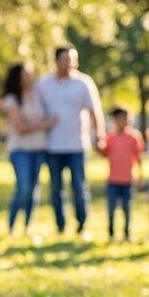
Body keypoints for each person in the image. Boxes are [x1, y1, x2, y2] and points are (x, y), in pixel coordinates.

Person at [36, 46, 106, 236]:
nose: (71, 64)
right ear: (56, 61)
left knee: (79, 187)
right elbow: (35, 109)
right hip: (52, 146)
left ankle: (82, 225)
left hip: (78, 145)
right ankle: (60, 225)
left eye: (73, 60)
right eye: (66, 59)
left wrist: (99, 135)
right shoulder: (43, 83)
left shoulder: (83, 82)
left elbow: (94, 111)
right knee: (56, 189)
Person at [0, 63, 55, 235]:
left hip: (39, 148)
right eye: (26, 74)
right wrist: (45, 124)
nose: (31, 77)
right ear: (18, 78)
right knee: (23, 188)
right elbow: (20, 128)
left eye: (31, 74)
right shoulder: (11, 99)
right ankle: (11, 226)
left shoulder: (39, 95)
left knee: (33, 189)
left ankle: (27, 226)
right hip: (20, 150)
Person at [97, 107, 144, 241]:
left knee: (127, 207)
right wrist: (98, 145)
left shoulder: (134, 137)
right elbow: (104, 153)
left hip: (128, 179)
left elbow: (138, 157)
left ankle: (127, 232)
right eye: (118, 119)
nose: (121, 121)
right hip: (113, 179)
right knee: (111, 208)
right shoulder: (110, 137)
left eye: (124, 118)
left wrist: (141, 175)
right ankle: (111, 232)